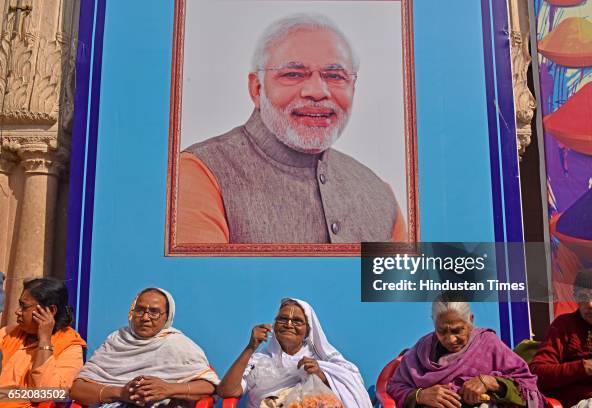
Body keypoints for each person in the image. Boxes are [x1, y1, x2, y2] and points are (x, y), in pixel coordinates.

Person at [177, 13, 408, 244]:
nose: (317, 91)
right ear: (257, 89)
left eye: (335, 76)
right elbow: (202, 280)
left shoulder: (379, 195)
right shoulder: (201, 173)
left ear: (353, 89)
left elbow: (406, 281)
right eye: (294, 74)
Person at [70, 287, 219, 407]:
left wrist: (168, 389)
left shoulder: (178, 345)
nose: (145, 317)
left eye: (154, 312)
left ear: (167, 317)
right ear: (132, 312)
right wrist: (121, 392)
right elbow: (78, 389)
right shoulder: (117, 340)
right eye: (140, 310)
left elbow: (210, 385)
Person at [217, 298, 373, 407]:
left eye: (297, 321)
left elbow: (349, 387)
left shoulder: (319, 359)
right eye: (283, 319)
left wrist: (320, 375)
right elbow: (226, 391)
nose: (289, 324)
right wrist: (251, 347)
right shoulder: (259, 360)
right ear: (275, 325)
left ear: (307, 331)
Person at [388, 299, 543, 407]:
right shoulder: (422, 349)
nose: (450, 339)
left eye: (457, 330)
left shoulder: (488, 344)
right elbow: (395, 386)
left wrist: (490, 382)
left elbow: (527, 388)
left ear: (470, 321)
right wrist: (420, 396)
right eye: (441, 331)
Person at [530, 268, 592, 407]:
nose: (590, 304)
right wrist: (585, 367)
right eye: (582, 297)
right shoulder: (565, 326)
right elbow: (536, 374)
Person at [0, 277, 87, 407]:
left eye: (24, 307)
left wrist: (44, 339)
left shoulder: (70, 347)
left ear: (50, 311)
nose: (17, 312)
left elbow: (47, 393)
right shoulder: (8, 333)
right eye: (20, 305)